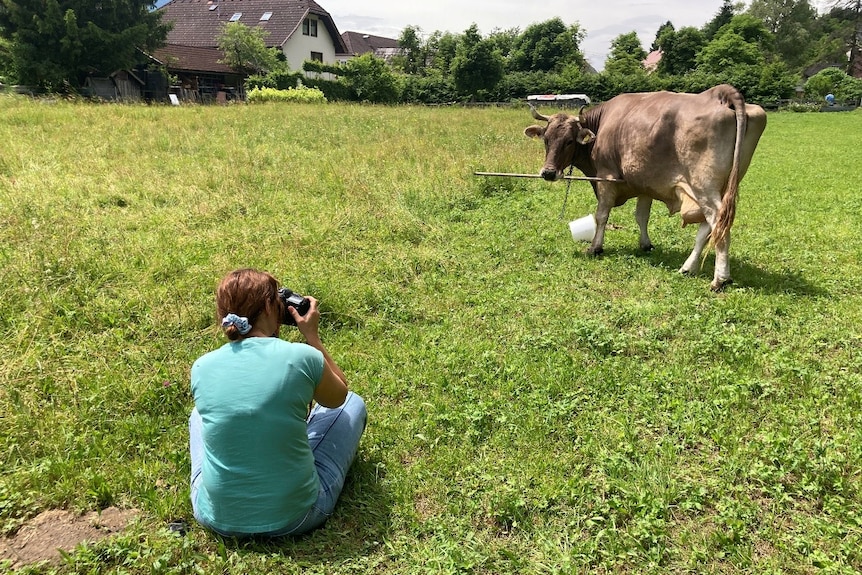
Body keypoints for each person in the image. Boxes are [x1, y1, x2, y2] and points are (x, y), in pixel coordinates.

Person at [188, 268, 366, 537]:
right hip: (296, 516)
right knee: (352, 404)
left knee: (199, 416)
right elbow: (338, 397)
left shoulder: (202, 366)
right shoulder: (302, 356)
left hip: (215, 517)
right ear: (272, 306)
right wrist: (312, 337)